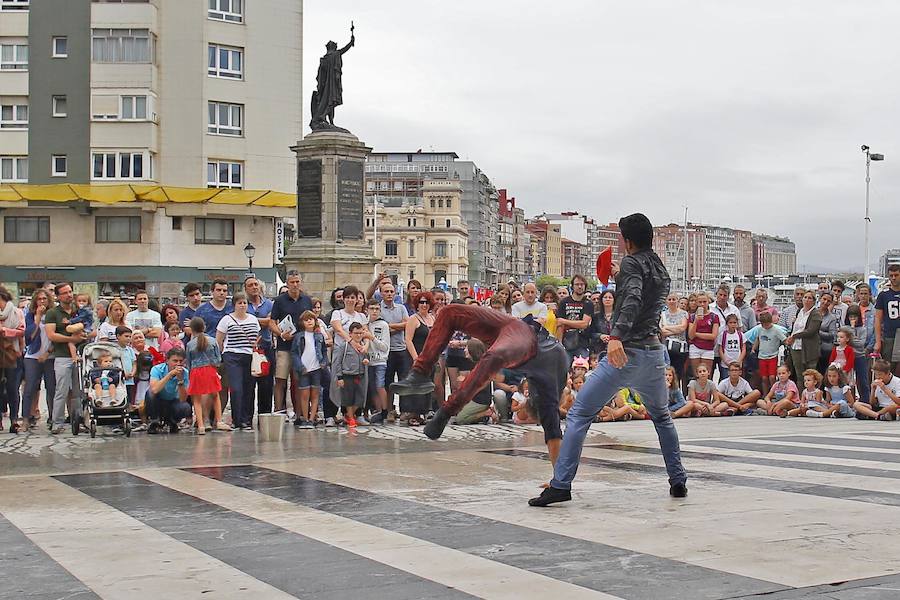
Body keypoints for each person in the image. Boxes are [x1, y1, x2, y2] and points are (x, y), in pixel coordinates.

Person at [528, 213, 687, 506]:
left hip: (625, 352)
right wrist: (620, 277)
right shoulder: (660, 268)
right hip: (654, 353)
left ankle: (561, 484)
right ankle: (678, 480)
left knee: (579, 415)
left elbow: (633, 300)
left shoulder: (630, 263)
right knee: (662, 417)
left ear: (626, 241)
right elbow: (644, 292)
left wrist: (616, 336)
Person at [391, 300, 570, 466]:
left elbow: (553, 433)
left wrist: (559, 483)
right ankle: (444, 408)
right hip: (526, 339)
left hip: (517, 328)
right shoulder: (549, 391)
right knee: (492, 357)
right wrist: (559, 483)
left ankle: (420, 373)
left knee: (450, 313)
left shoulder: (548, 389)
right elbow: (553, 434)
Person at [269, 271, 313, 414]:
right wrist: (281, 334)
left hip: (302, 347)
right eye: (292, 282)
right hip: (284, 346)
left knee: (299, 381)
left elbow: (312, 320)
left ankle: (300, 413)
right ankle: (278, 411)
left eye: (297, 282)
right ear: (287, 284)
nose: (295, 285)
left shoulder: (307, 300)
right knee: (281, 379)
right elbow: (271, 322)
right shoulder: (280, 300)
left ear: (301, 282)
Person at [45, 283, 86, 434]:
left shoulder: (79, 311)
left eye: (70, 291)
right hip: (62, 356)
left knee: (79, 391)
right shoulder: (53, 313)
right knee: (61, 390)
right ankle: (57, 422)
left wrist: (82, 336)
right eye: (65, 293)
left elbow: (89, 328)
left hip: (80, 356)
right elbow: (51, 335)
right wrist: (71, 339)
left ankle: (79, 420)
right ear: (58, 296)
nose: (69, 295)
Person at [216, 292, 261, 430]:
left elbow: (257, 337)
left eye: (245, 303)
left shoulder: (253, 319)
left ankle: (247, 419)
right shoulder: (226, 319)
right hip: (232, 355)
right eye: (239, 303)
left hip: (249, 356)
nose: (242, 305)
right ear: (234, 305)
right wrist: (222, 355)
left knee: (249, 388)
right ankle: (237, 419)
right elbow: (219, 339)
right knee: (236, 388)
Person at [185, 317, 230, 434]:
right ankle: (219, 421)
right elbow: (218, 358)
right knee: (215, 396)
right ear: (204, 327)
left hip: (196, 371)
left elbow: (188, 362)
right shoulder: (212, 341)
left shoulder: (190, 344)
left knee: (197, 399)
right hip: (210, 370)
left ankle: (200, 425)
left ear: (192, 329)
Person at [402, 291, 435, 426]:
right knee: (415, 386)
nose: (424, 305)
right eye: (421, 302)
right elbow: (408, 340)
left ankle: (425, 411)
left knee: (427, 385)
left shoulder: (433, 318)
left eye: (426, 302)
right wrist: (416, 358)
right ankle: (413, 414)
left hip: (429, 357)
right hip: (415, 355)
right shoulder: (413, 319)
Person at [22, 289, 55, 428]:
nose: (42, 301)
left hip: (50, 356)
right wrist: (37, 318)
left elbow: (56, 337)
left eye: (44, 299)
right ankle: (25, 419)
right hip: (32, 356)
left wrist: (47, 353)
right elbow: (29, 337)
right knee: (29, 388)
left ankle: (53, 417)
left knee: (51, 387)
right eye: (39, 299)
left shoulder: (53, 315)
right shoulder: (30, 315)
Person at [291, 310, 327, 428]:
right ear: (302, 323)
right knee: (304, 395)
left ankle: (312, 419)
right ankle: (305, 418)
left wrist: (323, 363)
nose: (309, 321)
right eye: (306, 320)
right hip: (304, 369)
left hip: (316, 368)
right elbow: (295, 353)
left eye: (311, 319)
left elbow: (324, 351)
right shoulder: (298, 336)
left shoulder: (319, 336)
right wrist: (300, 367)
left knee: (315, 394)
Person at [379, 282, 409, 420]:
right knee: (388, 382)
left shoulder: (401, 308)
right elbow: (379, 328)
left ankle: (404, 409)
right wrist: (398, 327)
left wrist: (389, 326)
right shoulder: (378, 309)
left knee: (403, 380)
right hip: (386, 350)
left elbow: (407, 324)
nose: (389, 294)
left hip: (401, 348)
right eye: (386, 291)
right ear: (381, 293)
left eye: (391, 291)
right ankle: (390, 410)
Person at [245, 276, 275, 414]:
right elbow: (241, 321)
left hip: (266, 347)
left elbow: (271, 321)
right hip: (248, 348)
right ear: (246, 289)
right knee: (249, 385)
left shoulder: (269, 304)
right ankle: (247, 418)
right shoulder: (242, 303)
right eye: (250, 285)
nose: (254, 287)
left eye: (256, 284)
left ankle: (265, 415)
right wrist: (262, 320)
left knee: (266, 385)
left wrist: (250, 319)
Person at [146, 348, 191, 434]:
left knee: (185, 407)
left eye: (181, 361)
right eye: (175, 361)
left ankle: (172, 421)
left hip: (174, 401)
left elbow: (183, 399)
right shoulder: (157, 369)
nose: (178, 364)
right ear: (167, 361)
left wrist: (180, 381)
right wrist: (169, 375)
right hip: (158, 400)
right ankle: (155, 421)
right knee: (150, 393)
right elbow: (154, 390)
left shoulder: (185, 373)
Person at [332, 322, 369, 427]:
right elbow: (338, 362)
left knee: (360, 398)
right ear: (350, 334)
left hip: (360, 375)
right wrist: (339, 377)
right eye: (356, 333)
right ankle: (351, 418)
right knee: (348, 399)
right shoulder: (345, 346)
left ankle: (350, 415)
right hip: (347, 375)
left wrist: (366, 359)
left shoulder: (363, 346)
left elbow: (367, 356)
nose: (358, 335)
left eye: (360, 333)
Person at [0, 286, 25, 433]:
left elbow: (22, 330)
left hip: (12, 353)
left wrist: (4, 331)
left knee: (12, 388)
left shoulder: (16, 312)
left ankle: (14, 419)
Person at [556, 274, 594, 361]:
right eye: (577, 284)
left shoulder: (588, 303)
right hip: (566, 342)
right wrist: (559, 344)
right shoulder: (564, 302)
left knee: (581, 370)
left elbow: (584, 324)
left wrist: (565, 321)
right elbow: (559, 324)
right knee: (564, 370)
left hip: (582, 343)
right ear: (572, 286)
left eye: (582, 284)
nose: (580, 286)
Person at [364, 300, 390, 424]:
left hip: (380, 360)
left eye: (377, 309)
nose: (374, 311)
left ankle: (385, 410)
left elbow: (385, 346)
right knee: (372, 387)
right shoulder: (365, 324)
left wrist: (372, 338)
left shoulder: (383, 325)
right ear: (367, 310)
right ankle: (377, 410)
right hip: (368, 360)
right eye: (372, 308)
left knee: (380, 385)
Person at [786, 291, 822, 378]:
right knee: (799, 376)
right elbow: (795, 327)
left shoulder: (816, 313)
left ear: (814, 301)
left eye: (809, 298)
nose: (806, 300)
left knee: (811, 376)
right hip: (796, 347)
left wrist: (795, 336)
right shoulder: (799, 311)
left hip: (809, 349)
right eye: (805, 297)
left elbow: (811, 331)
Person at [752, 311, 787, 397]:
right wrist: (753, 348)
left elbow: (784, 339)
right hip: (762, 356)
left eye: (767, 324)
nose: (765, 326)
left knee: (772, 376)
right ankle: (765, 394)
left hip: (773, 356)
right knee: (764, 377)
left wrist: (788, 343)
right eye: (763, 324)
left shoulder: (776, 330)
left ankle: (774, 393)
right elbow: (758, 339)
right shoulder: (760, 329)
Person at [874, 264, 900, 373]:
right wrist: (878, 341)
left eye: (896, 275)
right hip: (890, 335)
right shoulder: (883, 295)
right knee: (889, 367)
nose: (893, 278)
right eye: (891, 275)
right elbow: (878, 319)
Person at [688, 291, 720, 377]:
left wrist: (697, 334)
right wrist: (696, 320)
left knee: (707, 375)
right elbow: (690, 335)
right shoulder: (692, 317)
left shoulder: (714, 316)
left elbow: (713, 336)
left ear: (708, 302)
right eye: (700, 302)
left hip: (708, 348)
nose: (702, 304)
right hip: (695, 347)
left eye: (704, 302)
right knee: (696, 375)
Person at [660, 293, 688, 380]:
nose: (672, 301)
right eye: (669, 299)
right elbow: (662, 331)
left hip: (680, 349)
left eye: (674, 299)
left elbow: (683, 328)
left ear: (677, 301)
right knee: (667, 373)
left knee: (678, 374)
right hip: (667, 348)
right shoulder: (663, 314)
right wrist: (676, 329)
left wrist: (667, 327)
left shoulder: (684, 313)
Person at [114, 326, 136, 409]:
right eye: (126, 336)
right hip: (119, 381)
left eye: (130, 337)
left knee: (129, 398)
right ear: (118, 336)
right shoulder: (115, 350)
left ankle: (128, 414)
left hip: (129, 381)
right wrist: (123, 374)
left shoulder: (130, 350)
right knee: (120, 398)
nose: (128, 339)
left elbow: (134, 363)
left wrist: (133, 373)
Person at [816, 292, 838, 373]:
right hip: (812, 348)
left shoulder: (832, 318)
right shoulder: (813, 313)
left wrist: (818, 332)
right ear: (820, 299)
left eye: (828, 301)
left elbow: (832, 335)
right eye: (824, 299)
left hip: (825, 350)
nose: (825, 302)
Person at [718, 314, 745, 380]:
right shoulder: (723, 335)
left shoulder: (740, 334)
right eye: (730, 323)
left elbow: (743, 349)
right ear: (727, 324)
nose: (733, 324)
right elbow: (720, 349)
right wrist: (725, 361)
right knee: (725, 380)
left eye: (734, 322)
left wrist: (739, 360)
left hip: (737, 363)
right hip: (726, 364)